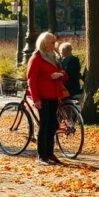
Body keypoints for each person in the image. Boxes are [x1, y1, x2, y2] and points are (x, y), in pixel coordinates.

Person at [27, 32, 67, 166]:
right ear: (44, 43)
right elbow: (31, 80)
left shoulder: (53, 57)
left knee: (53, 125)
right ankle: (41, 155)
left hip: (53, 95)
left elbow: (64, 74)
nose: (54, 45)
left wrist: (59, 74)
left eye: (54, 42)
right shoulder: (36, 57)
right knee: (44, 125)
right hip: (42, 96)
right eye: (51, 42)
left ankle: (50, 153)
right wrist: (36, 99)